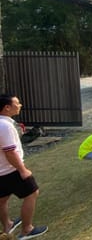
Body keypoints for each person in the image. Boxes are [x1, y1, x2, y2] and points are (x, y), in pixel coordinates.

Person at [0, 94, 48, 239]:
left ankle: (8, 225)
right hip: (10, 169)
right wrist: (22, 170)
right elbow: (10, 152)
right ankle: (27, 229)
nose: (20, 105)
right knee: (32, 193)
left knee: (2, 199)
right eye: (17, 103)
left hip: (1, 171)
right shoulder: (5, 126)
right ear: (7, 107)